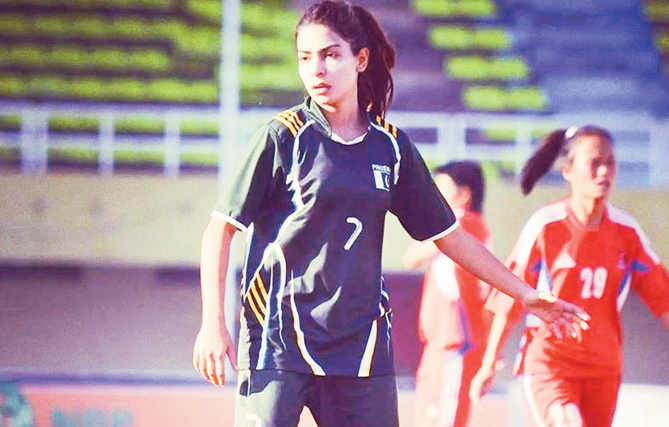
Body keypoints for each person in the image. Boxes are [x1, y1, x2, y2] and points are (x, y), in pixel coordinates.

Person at [192, 2, 588, 427]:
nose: (317, 70)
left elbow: (450, 236)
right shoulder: (282, 137)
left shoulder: (391, 147)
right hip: (278, 341)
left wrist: (524, 294)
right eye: (305, 58)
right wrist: (212, 322)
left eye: (330, 55)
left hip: (361, 347)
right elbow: (220, 230)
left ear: (361, 59)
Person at [469, 126, 669, 427]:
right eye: (594, 162)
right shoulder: (546, 226)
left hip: (604, 368)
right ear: (568, 171)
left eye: (610, 162)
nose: (604, 171)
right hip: (549, 363)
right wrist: (488, 363)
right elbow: (509, 296)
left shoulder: (628, 233)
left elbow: (663, 297)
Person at [404, 161, 493, 427]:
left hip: (456, 340)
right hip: (440, 342)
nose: (433, 193)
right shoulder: (462, 225)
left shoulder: (462, 223)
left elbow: (412, 258)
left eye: (441, 187)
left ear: (464, 194)